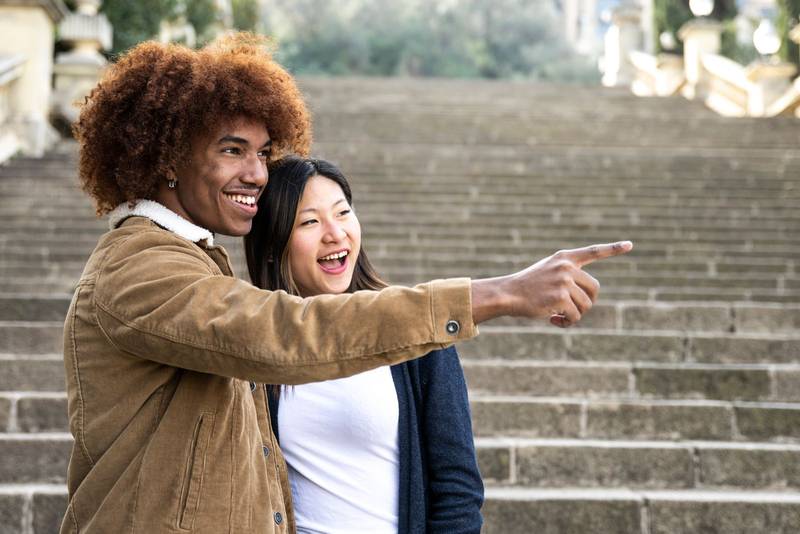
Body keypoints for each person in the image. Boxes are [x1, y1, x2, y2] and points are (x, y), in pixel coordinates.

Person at [62, 32, 632, 534]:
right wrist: (499, 293)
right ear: (166, 159)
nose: (257, 173)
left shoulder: (193, 261)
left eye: (262, 153)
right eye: (231, 150)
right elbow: (279, 333)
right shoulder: (139, 265)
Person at [244, 156, 483, 534]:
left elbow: (457, 488)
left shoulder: (414, 329)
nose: (335, 233)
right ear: (274, 244)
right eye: (310, 221)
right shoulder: (252, 346)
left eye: (343, 213)